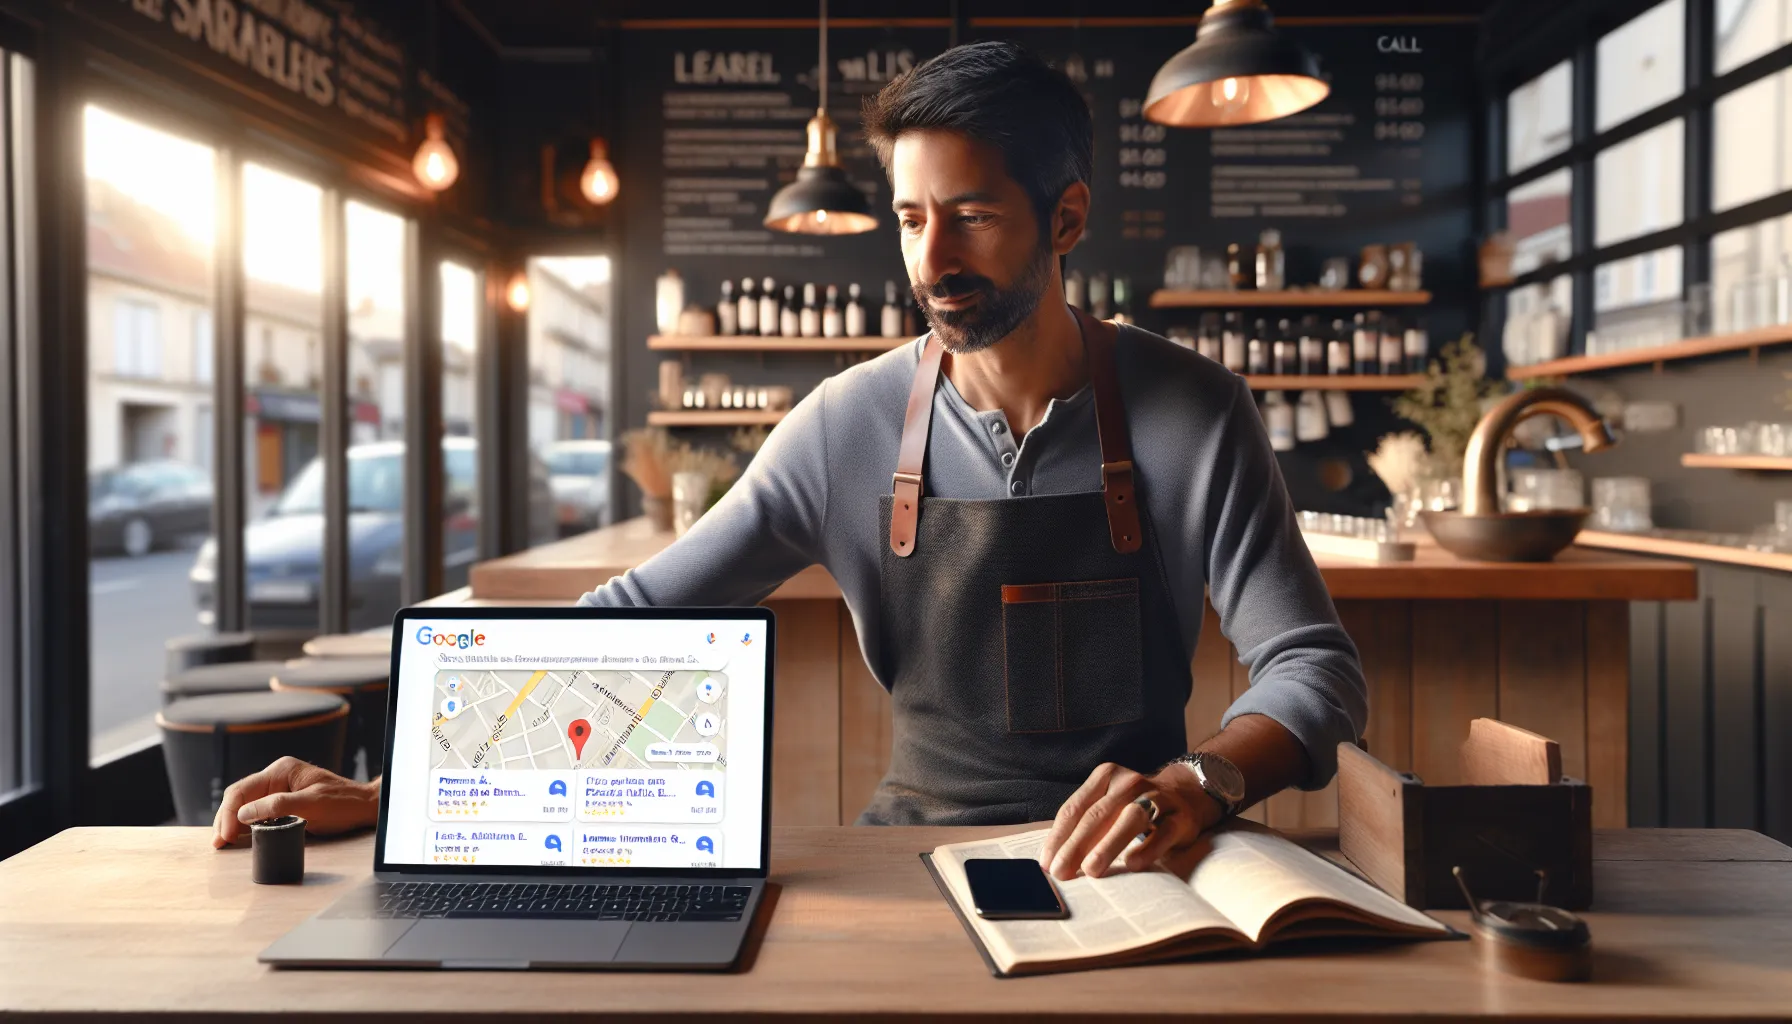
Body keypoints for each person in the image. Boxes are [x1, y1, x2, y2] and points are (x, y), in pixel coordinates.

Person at [215, 41, 1366, 884]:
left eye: (971, 216)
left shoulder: (1194, 410)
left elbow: (1313, 670)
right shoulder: (844, 424)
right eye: (911, 219)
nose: (933, 258)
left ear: (1065, 220)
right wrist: (399, 789)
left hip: (1139, 863)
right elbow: (640, 616)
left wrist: (1195, 783)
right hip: (915, 863)